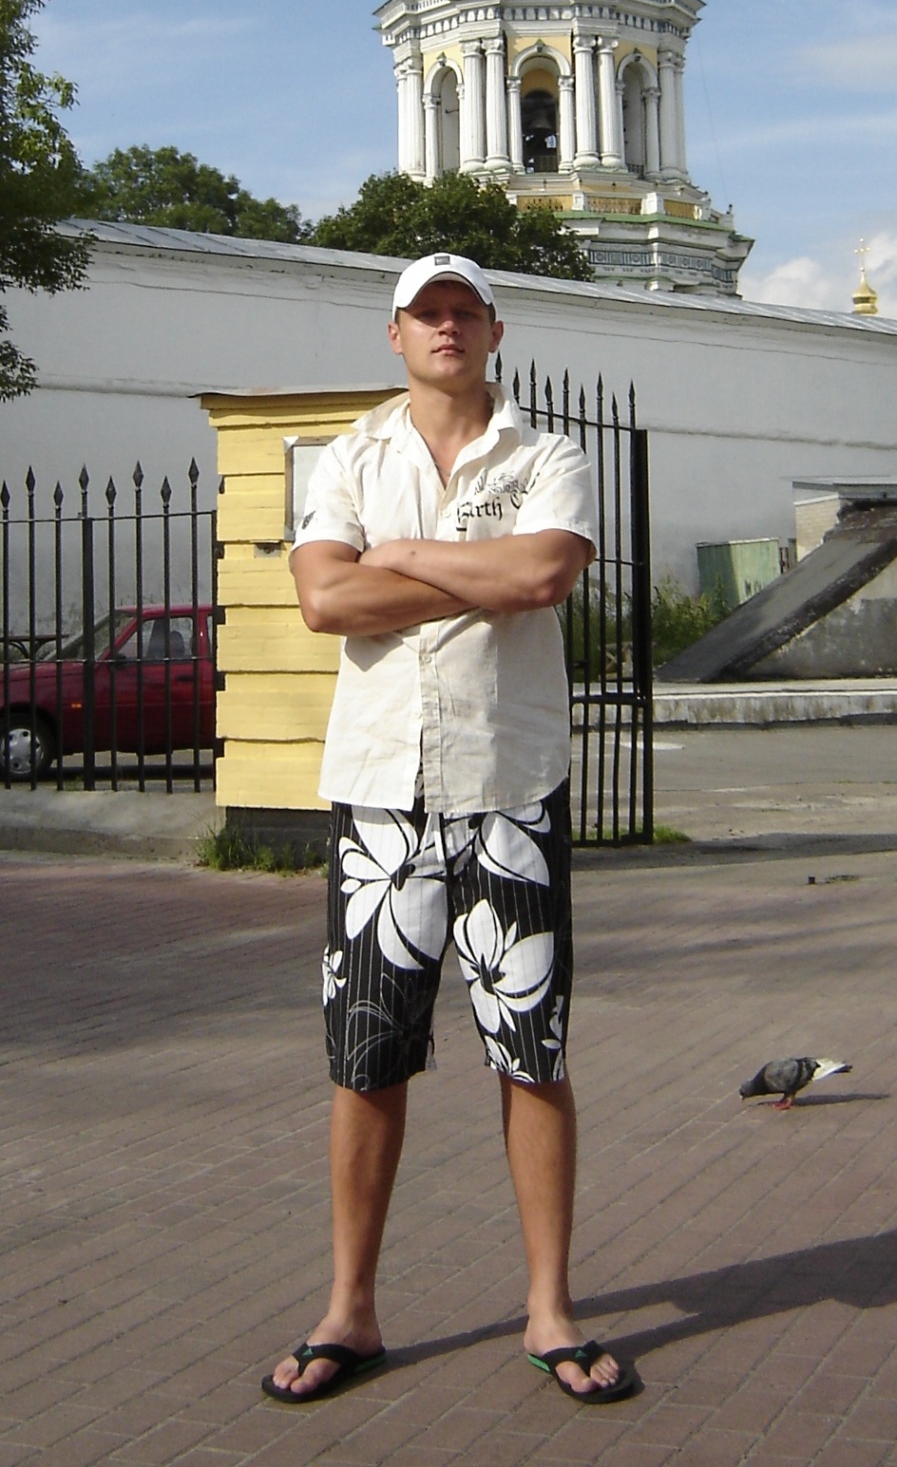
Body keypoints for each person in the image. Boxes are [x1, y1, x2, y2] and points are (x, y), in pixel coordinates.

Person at [262, 251, 638, 1409]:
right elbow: (325, 598)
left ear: (494, 329)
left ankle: (550, 1306)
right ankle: (350, 1308)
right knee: (366, 1056)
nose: (445, 326)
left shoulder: (547, 455)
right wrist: (481, 575)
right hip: (380, 797)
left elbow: (543, 575)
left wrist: (405, 556)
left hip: (510, 785)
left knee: (533, 1050)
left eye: (463, 310)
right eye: (425, 312)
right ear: (395, 334)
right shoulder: (349, 458)